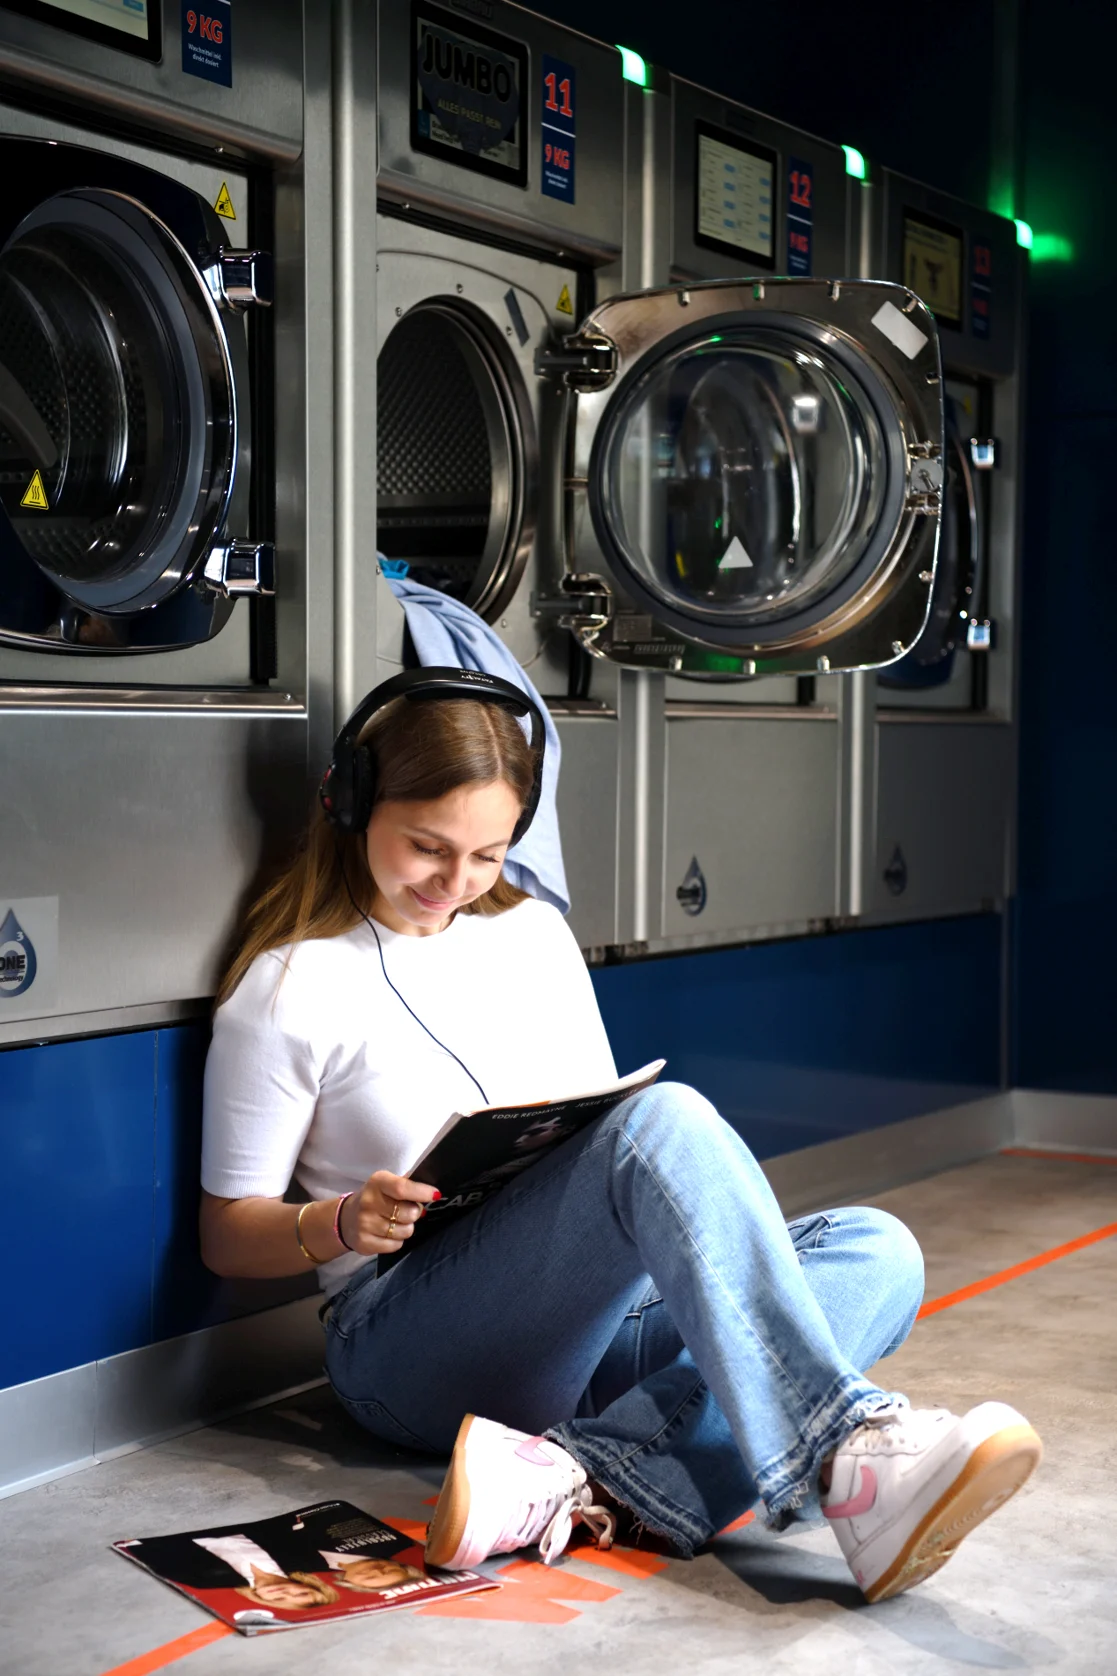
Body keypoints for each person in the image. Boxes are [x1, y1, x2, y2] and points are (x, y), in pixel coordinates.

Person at [200, 668, 1042, 1606]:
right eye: (427, 847)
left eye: (487, 853)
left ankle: (573, 1479)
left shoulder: (533, 937)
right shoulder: (287, 988)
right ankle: (851, 1455)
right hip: (402, 1347)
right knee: (662, 1118)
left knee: (881, 1252)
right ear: (351, 803)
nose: (455, 881)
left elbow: (600, 1134)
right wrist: (344, 1223)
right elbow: (226, 1229)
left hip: (581, 1329)